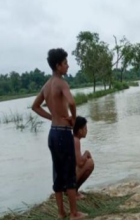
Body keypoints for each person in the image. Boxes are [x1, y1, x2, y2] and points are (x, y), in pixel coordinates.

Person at [31, 48, 87, 220]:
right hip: (63, 133)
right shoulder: (61, 83)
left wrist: (52, 117)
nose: (68, 66)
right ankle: (74, 213)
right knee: (69, 173)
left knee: (57, 173)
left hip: (53, 134)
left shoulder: (46, 86)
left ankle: (61, 213)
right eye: (65, 63)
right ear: (58, 66)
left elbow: (35, 106)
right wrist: (73, 119)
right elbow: (71, 101)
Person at [73, 116, 94, 200]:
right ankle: (72, 192)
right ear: (79, 130)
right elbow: (80, 163)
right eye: (85, 128)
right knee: (90, 163)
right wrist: (86, 153)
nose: (86, 130)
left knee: (87, 162)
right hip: (67, 181)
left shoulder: (72, 139)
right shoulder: (76, 141)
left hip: (64, 179)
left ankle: (74, 190)